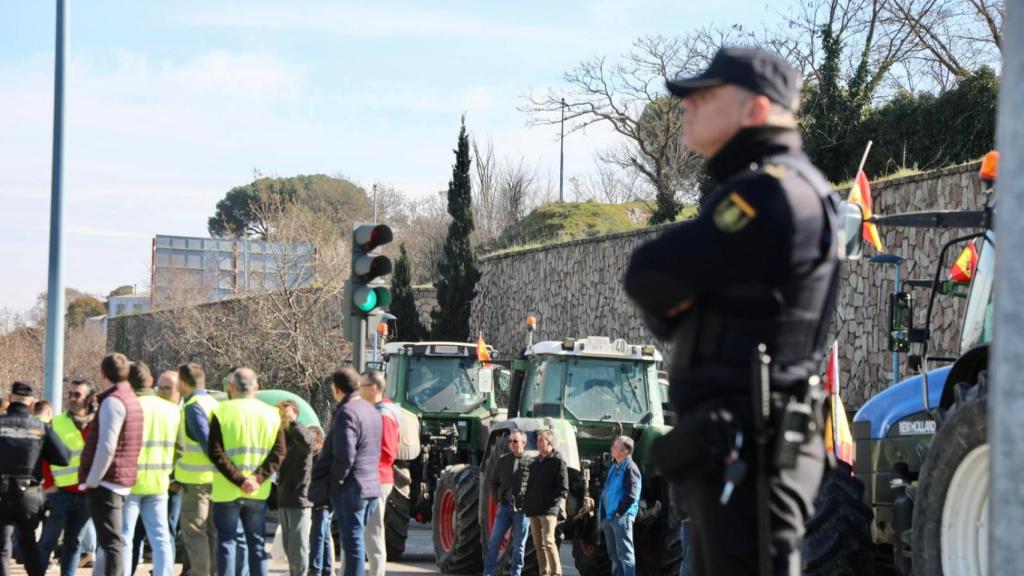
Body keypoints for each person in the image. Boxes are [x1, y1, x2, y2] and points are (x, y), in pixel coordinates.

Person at [623, 47, 836, 575]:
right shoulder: (788, 187)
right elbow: (664, 308)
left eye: (705, 95)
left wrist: (687, 298)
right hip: (742, 449)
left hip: (750, 453)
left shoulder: (771, 193)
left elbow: (649, 272)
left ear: (755, 110)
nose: (687, 106)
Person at [207, 368, 286, 576]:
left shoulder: (220, 412)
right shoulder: (272, 414)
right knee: (257, 545)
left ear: (231, 388)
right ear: (257, 388)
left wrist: (239, 480)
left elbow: (215, 452)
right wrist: (257, 479)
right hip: (257, 491)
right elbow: (279, 452)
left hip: (226, 491)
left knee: (226, 543)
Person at [79, 353, 144, 576]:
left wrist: (91, 480)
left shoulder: (113, 401)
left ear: (103, 374)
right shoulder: (131, 398)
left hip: (108, 481)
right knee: (114, 540)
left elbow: (107, 446)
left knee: (111, 541)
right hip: (122, 478)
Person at [312, 368, 381, 576]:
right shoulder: (371, 409)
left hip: (352, 487)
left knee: (352, 545)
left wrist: (334, 485)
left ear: (337, 388)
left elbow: (345, 456)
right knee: (356, 541)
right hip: (371, 486)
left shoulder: (347, 412)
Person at [0, 381, 70, 576]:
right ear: (31, 402)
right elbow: (63, 457)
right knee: (29, 543)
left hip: (1, 494)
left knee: (2, 548)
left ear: (10, 397)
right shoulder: (40, 428)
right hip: (29, 496)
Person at [121, 362, 179, 576]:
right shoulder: (171, 410)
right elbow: (180, 447)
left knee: (125, 537)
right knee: (161, 536)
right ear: (151, 381)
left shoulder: (126, 405)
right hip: (159, 482)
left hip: (129, 483)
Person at [38, 379, 97, 576]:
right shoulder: (58, 422)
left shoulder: (98, 423)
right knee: (48, 541)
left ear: (88, 398)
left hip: (87, 494)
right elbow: (45, 455)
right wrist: (49, 484)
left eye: (76, 394)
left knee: (75, 543)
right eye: (69, 394)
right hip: (60, 493)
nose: (71, 398)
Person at [175, 363, 219, 576]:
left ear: (183, 382)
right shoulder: (213, 402)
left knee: (195, 533)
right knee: (211, 533)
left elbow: (207, 442)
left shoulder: (193, 406)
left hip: (197, 482)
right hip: (214, 480)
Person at [357, 370, 399, 576]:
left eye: (361, 386)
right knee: (363, 532)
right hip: (371, 477)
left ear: (373, 389)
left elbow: (387, 452)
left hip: (376, 478)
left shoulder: (383, 414)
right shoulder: (378, 410)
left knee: (373, 532)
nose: (358, 390)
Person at [483, 429, 532, 576]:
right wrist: (498, 499)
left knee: (519, 547)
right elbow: (493, 482)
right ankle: (488, 573)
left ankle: (515, 574)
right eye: (510, 441)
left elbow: (536, 485)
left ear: (524, 442)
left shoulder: (531, 462)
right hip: (504, 508)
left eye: (515, 441)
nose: (512, 444)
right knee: (494, 543)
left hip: (522, 511)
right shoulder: (503, 460)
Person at [276, 400, 313, 576]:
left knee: (298, 547)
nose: (283, 418)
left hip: (299, 499)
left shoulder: (301, 433)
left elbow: (307, 442)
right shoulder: (282, 436)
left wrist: (292, 422)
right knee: (288, 546)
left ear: (296, 415)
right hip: (284, 498)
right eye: (281, 415)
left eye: (287, 414)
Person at [523, 429, 567, 576]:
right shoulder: (535, 463)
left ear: (550, 443)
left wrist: (549, 503)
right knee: (538, 545)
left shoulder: (558, 461)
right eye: (538, 440)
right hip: (534, 510)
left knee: (548, 542)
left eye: (541, 440)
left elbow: (563, 487)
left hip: (548, 511)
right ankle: (544, 573)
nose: (538, 443)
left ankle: (556, 573)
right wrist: (528, 504)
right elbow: (530, 486)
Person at [598, 436, 641, 576]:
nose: (612, 449)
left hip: (621, 518)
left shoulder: (630, 468)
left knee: (625, 556)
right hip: (610, 518)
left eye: (615, 447)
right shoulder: (614, 467)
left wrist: (618, 513)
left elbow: (632, 495)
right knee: (614, 556)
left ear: (626, 451)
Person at [306, 425, 332, 576]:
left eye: (311, 442)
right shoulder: (320, 456)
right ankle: (327, 568)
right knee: (324, 534)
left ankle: (315, 568)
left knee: (317, 535)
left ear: (319, 442)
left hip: (321, 501)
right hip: (323, 500)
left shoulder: (320, 458)